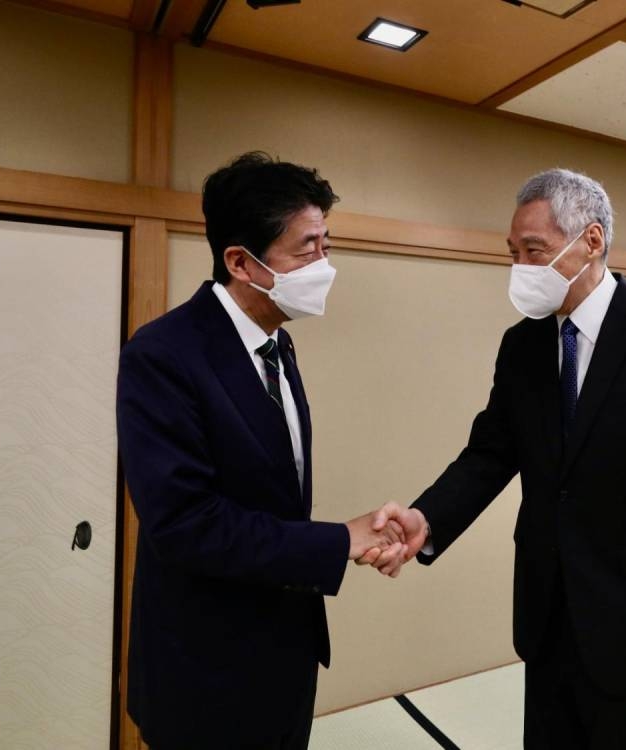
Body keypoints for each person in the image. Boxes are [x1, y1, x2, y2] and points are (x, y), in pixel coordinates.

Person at [364, 168, 626, 748]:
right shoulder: (524, 343)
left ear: (593, 240)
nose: (522, 269)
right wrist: (424, 521)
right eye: (514, 254)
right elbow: (489, 453)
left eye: (535, 251)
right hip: (546, 617)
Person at [116, 152, 404, 750]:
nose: (324, 265)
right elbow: (183, 522)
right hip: (204, 672)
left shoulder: (279, 344)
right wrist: (338, 539)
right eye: (307, 248)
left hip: (286, 654)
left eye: (327, 243)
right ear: (241, 262)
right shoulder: (164, 353)